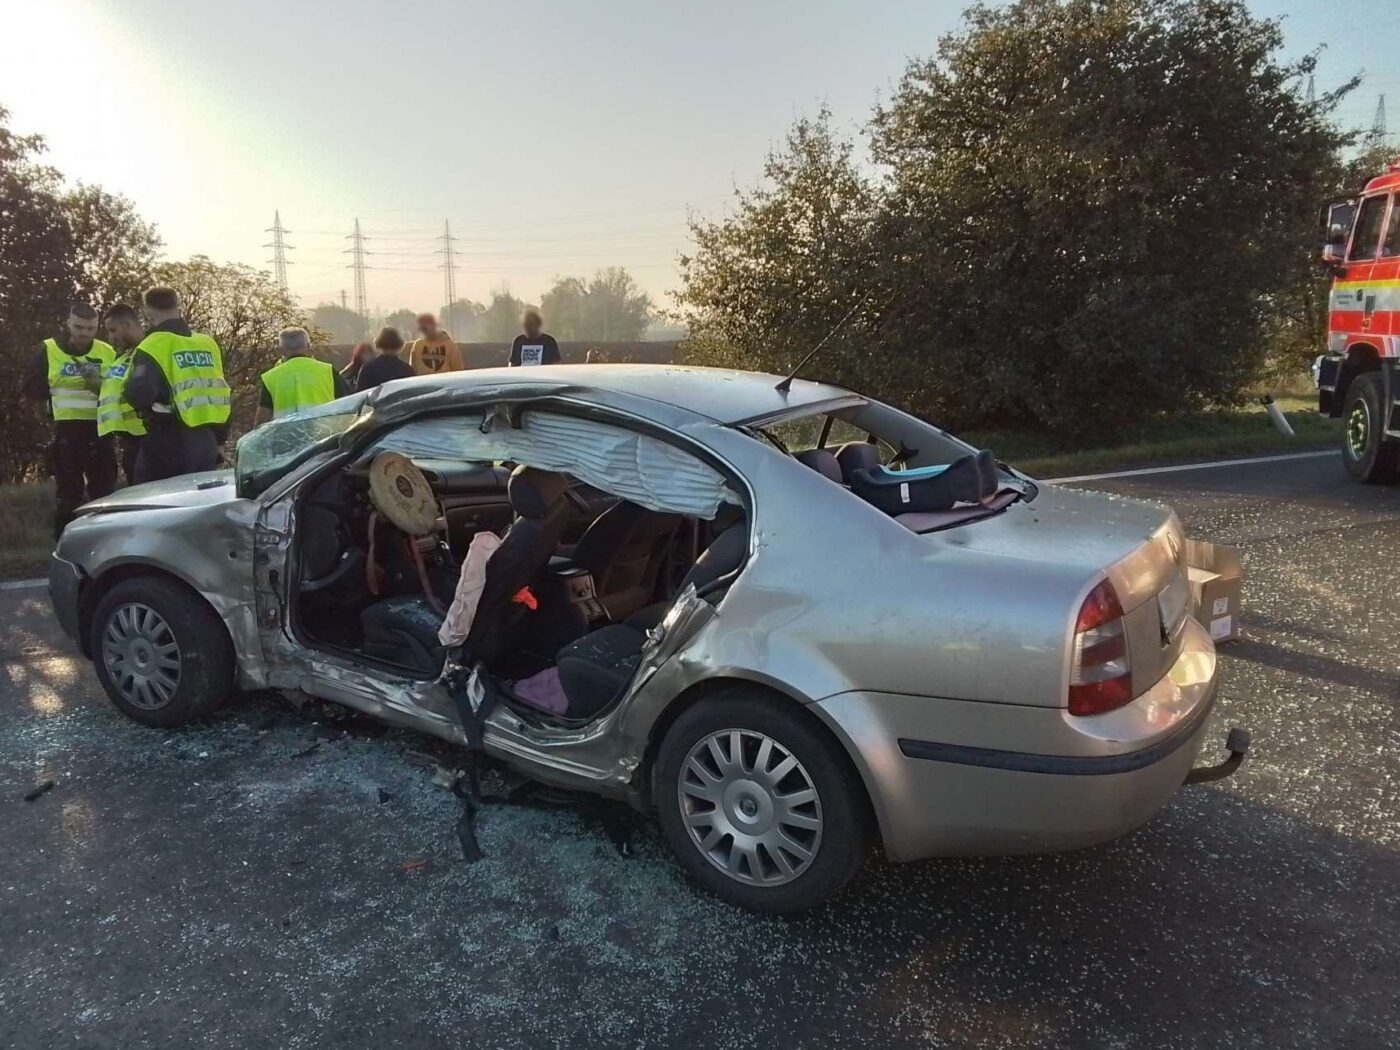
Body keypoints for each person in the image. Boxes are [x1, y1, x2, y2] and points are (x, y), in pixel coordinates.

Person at [22, 302, 117, 535]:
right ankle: (65, 543)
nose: (84, 333)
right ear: (68, 324)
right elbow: (29, 387)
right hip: (67, 432)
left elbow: (118, 389)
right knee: (68, 494)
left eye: (90, 328)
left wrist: (97, 384)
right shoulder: (49, 348)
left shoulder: (106, 351)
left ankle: (102, 540)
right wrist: (62, 381)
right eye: (79, 327)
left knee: (105, 494)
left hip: (100, 430)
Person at [124, 286, 231, 483]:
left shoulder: (152, 345)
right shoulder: (207, 343)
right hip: (207, 440)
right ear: (177, 305)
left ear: (147, 310)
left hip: (168, 441)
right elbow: (221, 394)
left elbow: (140, 394)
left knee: (152, 505)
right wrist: (220, 441)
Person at [253, 327, 352, 425]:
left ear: (281, 350)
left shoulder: (271, 377)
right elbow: (346, 406)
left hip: (287, 437)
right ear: (309, 346)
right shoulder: (328, 370)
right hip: (325, 435)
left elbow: (262, 419)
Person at [97, 303, 148, 484]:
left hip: (147, 438)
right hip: (129, 440)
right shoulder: (124, 356)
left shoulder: (148, 352)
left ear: (127, 324)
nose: (111, 337)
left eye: (113, 330)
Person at [356, 327, 415, 391]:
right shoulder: (407, 370)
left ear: (378, 345)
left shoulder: (367, 369)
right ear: (400, 346)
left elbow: (360, 395)